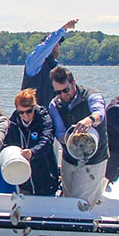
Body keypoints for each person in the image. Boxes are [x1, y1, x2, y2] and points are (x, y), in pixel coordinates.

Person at [48, 65, 109, 205]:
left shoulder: (92, 96)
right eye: (58, 92)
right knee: (67, 198)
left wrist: (90, 120)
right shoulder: (54, 104)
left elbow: (100, 113)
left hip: (94, 158)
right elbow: (59, 132)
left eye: (66, 90)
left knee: (79, 202)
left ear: (73, 83)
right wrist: (68, 138)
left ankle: (83, 221)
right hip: (69, 157)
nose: (63, 95)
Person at [4, 88, 59, 195]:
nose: (25, 115)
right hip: (23, 179)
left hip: (45, 179)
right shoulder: (14, 122)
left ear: (34, 107)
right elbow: (8, 143)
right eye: (21, 112)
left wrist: (32, 152)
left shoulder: (44, 119)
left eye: (29, 111)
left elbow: (47, 140)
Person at [21, 19, 78, 107]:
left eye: (58, 44)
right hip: (31, 116)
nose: (56, 46)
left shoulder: (56, 68)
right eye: (54, 43)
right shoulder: (33, 62)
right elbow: (46, 46)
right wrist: (64, 28)